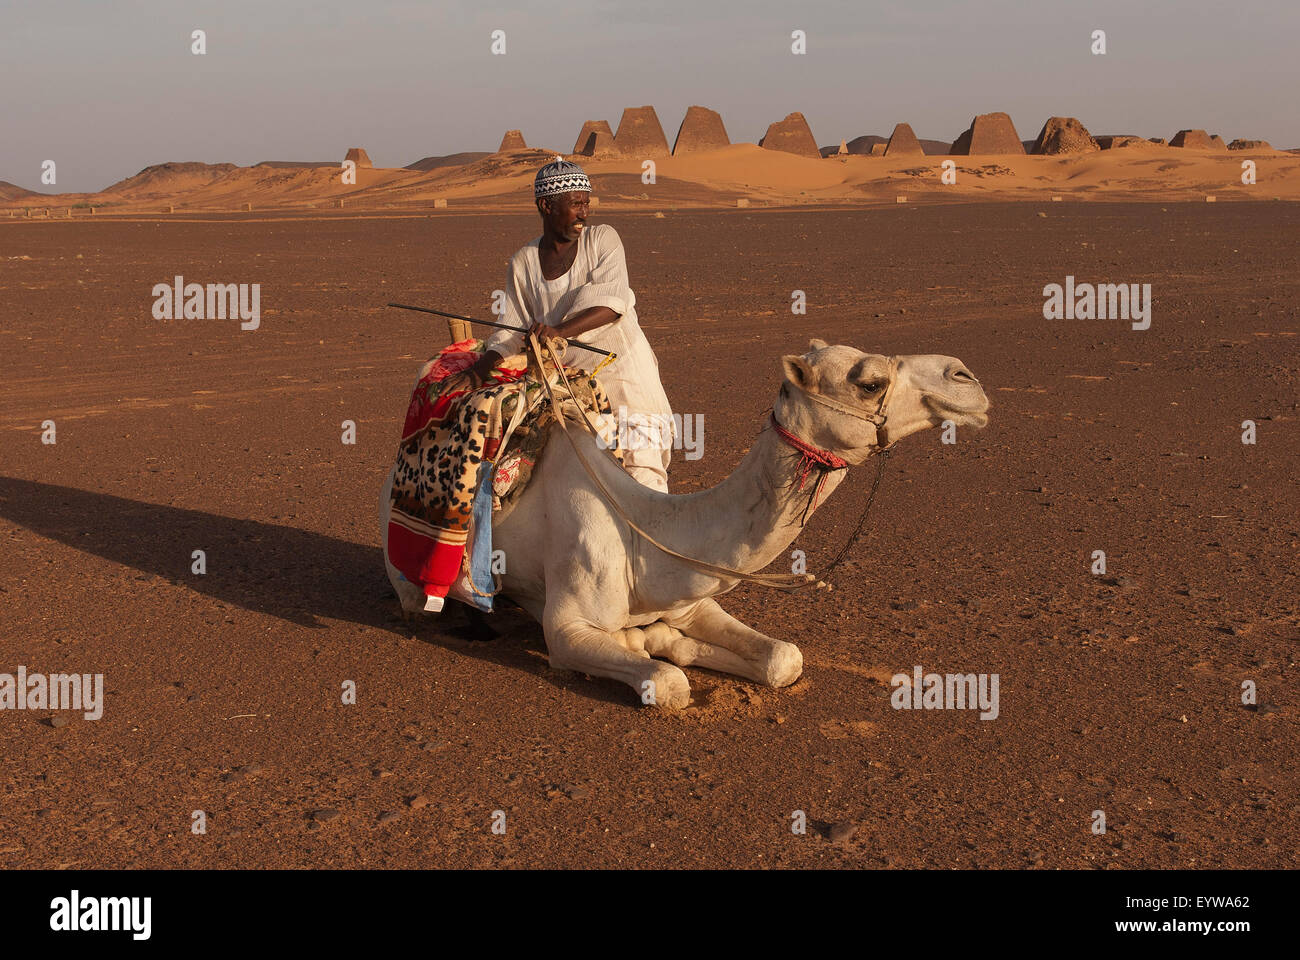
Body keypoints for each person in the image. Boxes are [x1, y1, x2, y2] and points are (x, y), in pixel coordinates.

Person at [444, 158, 675, 491]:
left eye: (586, 203)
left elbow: (613, 303)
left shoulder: (602, 240)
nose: (584, 212)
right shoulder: (523, 261)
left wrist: (558, 332)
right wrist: (479, 369)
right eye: (576, 204)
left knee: (642, 477)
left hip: (624, 378)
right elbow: (510, 330)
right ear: (546, 206)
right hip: (568, 387)